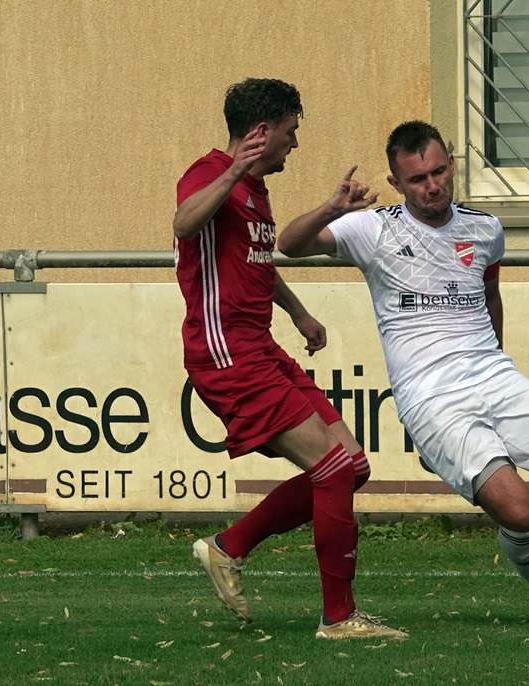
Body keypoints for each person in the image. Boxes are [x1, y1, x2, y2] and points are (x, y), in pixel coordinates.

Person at [276, 120, 529, 627]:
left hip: (492, 374)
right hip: (430, 396)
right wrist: (332, 208)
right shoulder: (372, 229)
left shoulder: (484, 229)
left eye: (438, 172)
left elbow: (490, 294)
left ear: (451, 165)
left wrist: (497, 362)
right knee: (520, 511)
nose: (432, 186)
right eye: (417, 179)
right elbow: (289, 244)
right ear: (396, 184)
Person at [172, 78, 406, 640]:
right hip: (227, 354)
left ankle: (229, 547)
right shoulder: (209, 173)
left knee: (352, 466)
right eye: (290, 131)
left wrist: (299, 312)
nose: (294, 144)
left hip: (262, 348)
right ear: (261, 131)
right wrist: (233, 171)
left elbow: (256, 261)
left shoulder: (255, 191)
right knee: (333, 467)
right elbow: (183, 223)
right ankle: (339, 619)